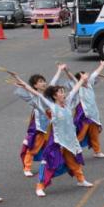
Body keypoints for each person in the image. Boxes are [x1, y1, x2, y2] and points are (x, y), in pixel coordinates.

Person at [8, 69, 93, 197]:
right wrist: (21, 81)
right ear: (54, 96)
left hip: (70, 140)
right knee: (49, 163)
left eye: (63, 92)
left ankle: (81, 180)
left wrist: (82, 79)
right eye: (60, 92)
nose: (63, 94)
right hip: (57, 140)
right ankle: (40, 186)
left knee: (74, 162)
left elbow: (75, 89)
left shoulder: (68, 103)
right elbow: (36, 94)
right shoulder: (51, 106)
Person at [14, 67, 65, 177]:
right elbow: (26, 87)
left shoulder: (48, 93)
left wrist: (59, 70)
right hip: (40, 127)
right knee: (34, 147)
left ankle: (52, 165)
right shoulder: (33, 95)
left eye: (43, 81)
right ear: (35, 86)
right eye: (40, 82)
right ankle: (27, 167)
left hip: (51, 125)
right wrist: (16, 77)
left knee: (53, 147)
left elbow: (54, 81)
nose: (44, 83)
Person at [72, 60, 104, 159]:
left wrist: (102, 65)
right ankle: (72, 151)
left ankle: (97, 151)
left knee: (94, 134)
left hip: (93, 114)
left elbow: (95, 74)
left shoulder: (89, 85)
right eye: (83, 77)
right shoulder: (78, 87)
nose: (86, 79)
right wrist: (67, 71)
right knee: (81, 133)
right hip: (83, 115)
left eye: (86, 77)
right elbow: (72, 79)